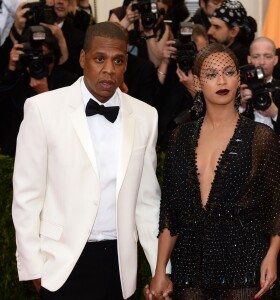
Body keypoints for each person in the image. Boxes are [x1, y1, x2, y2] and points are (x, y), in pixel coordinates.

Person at [12, 21, 167, 300]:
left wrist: (161, 269)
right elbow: (26, 197)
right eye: (99, 58)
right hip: (60, 265)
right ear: (83, 59)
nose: (109, 69)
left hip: (120, 267)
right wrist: (35, 270)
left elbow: (147, 201)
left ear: (126, 65)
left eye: (118, 60)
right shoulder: (42, 109)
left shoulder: (146, 116)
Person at [145, 43, 280, 300]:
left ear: (238, 78)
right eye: (212, 75)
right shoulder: (181, 137)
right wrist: (160, 270)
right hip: (190, 267)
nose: (221, 80)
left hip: (246, 267)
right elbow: (171, 210)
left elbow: (278, 205)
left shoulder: (260, 137)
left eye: (228, 72)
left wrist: (272, 255)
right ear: (198, 83)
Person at [0, 24, 78, 157]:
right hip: (16, 155)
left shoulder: (70, 82)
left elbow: (70, 127)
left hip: (55, 155)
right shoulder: (17, 79)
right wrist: (11, 70)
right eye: (33, 56)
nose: (40, 62)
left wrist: (45, 94)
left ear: (55, 55)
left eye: (46, 58)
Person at [240, 37, 280, 146]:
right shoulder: (239, 91)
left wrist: (275, 113)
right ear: (249, 60)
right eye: (256, 56)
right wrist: (241, 108)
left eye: (267, 56)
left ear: (275, 60)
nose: (262, 62)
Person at [208, 0, 251, 66]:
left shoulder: (239, 61)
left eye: (217, 27)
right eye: (211, 25)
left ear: (233, 32)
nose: (209, 31)